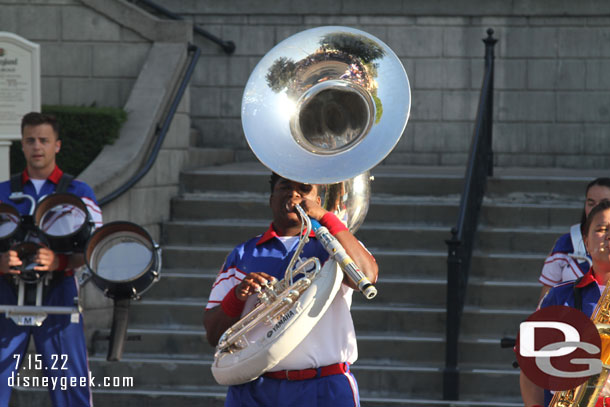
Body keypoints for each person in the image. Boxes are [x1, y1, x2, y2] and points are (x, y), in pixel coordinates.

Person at [203, 173, 378, 407]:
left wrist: (326, 218)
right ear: (271, 198)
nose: (294, 194)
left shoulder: (337, 245)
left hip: (324, 386)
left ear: (318, 199)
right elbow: (213, 334)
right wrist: (237, 297)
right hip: (253, 388)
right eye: (285, 186)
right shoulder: (243, 254)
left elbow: (366, 276)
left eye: (304, 189)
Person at [0, 112, 102, 407]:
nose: (37, 147)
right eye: (30, 140)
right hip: (6, 294)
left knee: (70, 387)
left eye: (44, 140)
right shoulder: (4, 192)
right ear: (22, 144)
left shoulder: (79, 193)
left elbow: (95, 248)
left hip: (59, 295)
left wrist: (59, 261)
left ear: (57, 145)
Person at [520, 200, 610, 407]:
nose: (609, 236)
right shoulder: (559, 296)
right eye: (601, 229)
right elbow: (530, 368)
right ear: (586, 242)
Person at [537, 178, 610, 305]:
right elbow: (544, 305)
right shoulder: (566, 243)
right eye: (591, 203)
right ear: (586, 242)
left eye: (605, 203)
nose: (597, 209)